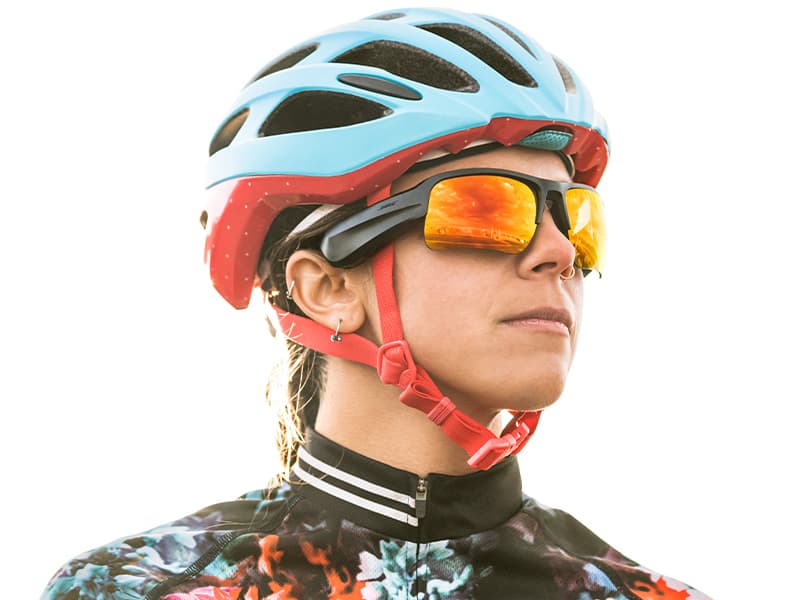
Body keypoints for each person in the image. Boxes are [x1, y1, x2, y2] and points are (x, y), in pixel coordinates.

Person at [42, 7, 710, 599]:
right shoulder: (130, 589)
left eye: (577, 218)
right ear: (326, 289)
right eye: (487, 210)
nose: (559, 252)